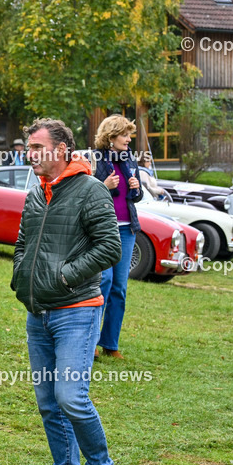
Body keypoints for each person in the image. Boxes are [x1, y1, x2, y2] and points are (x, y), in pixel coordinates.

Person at [11, 118, 121, 465]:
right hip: (37, 312)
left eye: (37, 147)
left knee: (71, 396)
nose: (30, 154)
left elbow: (110, 248)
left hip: (77, 309)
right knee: (47, 401)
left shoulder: (90, 190)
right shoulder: (36, 192)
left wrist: (64, 276)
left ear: (61, 150)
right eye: (29, 147)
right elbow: (24, 240)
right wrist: (21, 276)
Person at [90, 115, 142, 360]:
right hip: (102, 230)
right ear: (111, 137)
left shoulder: (130, 159)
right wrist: (104, 185)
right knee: (104, 282)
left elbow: (137, 197)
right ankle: (90, 343)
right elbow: (86, 194)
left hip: (126, 229)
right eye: (125, 135)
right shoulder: (95, 158)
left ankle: (110, 344)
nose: (129, 140)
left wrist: (136, 188)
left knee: (119, 289)